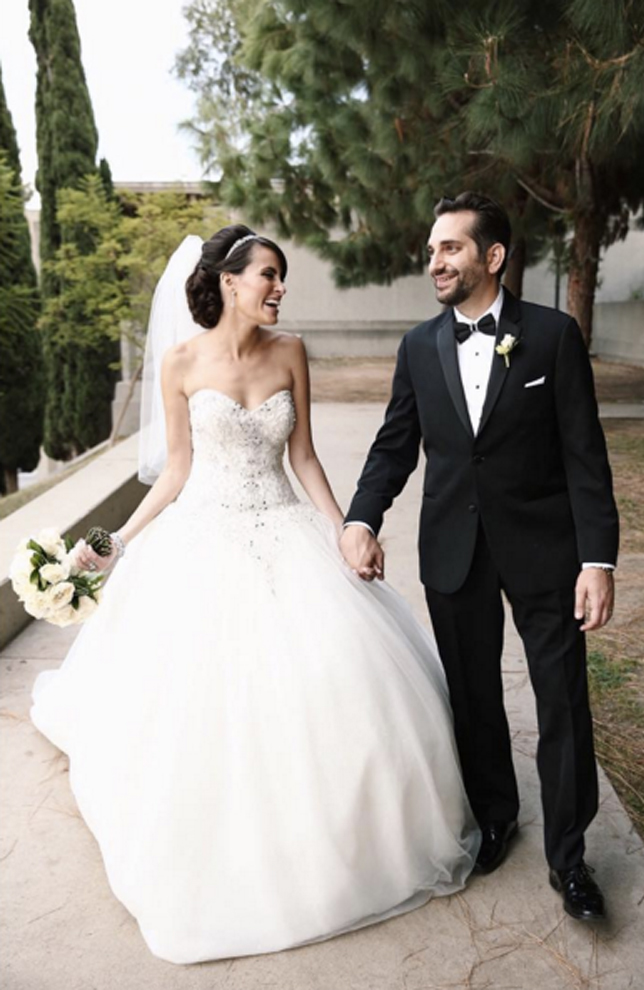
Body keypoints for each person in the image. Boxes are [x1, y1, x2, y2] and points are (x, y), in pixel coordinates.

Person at [30, 224, 480, 965]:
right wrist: (115, 544)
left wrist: (345, 531)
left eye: (282, 278)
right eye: (267, 275)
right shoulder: (179, 364)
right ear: (229, 282)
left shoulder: (291, 353)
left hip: (287, 528)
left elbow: (301, 455)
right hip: (204, 536)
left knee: (338, 677)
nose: (277, 289)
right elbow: (175, 474)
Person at [340, 192, 619, 923]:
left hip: (546, 551)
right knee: (473, 698)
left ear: (492, 258)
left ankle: (570, 858)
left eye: (451, 248)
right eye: (432, 249)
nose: (435, 261)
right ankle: (497, 816)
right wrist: (361, 516)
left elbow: (585, 458)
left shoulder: (554, 338)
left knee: (562, 700)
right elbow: (396, 445)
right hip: (454, 551)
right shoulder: (417, 348)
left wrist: (598, 561)